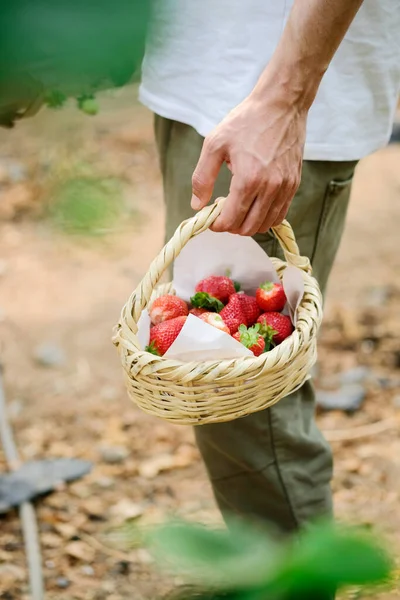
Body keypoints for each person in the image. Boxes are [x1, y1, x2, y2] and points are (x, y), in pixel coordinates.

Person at [139, 0, 400, 541]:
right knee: (210, 382)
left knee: (250, 409)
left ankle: (293, 582)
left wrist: (286, 99)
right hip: (197, 79)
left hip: (270, 99)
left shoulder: (279, 101)